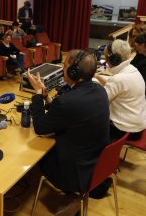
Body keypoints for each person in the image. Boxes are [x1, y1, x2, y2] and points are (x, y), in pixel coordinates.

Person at [27, 50, 110, 195]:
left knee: (35, 152)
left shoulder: (67, 102)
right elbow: (71, 113)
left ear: (73, 72)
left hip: (75, 175)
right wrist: (46, 98)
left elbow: (39, 127)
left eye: (64, 66)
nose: (62, 69)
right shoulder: (100, 90)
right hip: (97, 165)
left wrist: (38, 94)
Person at [94, 39, 146, 140]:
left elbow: (99, 102)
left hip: (125, 130)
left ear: (114, 59)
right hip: (137, 127)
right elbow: (117, 87)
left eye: (106, 58)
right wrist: (96, 76)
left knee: (89, 119)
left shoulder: (118, 79)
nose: (106, 61)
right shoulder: (132, 70)